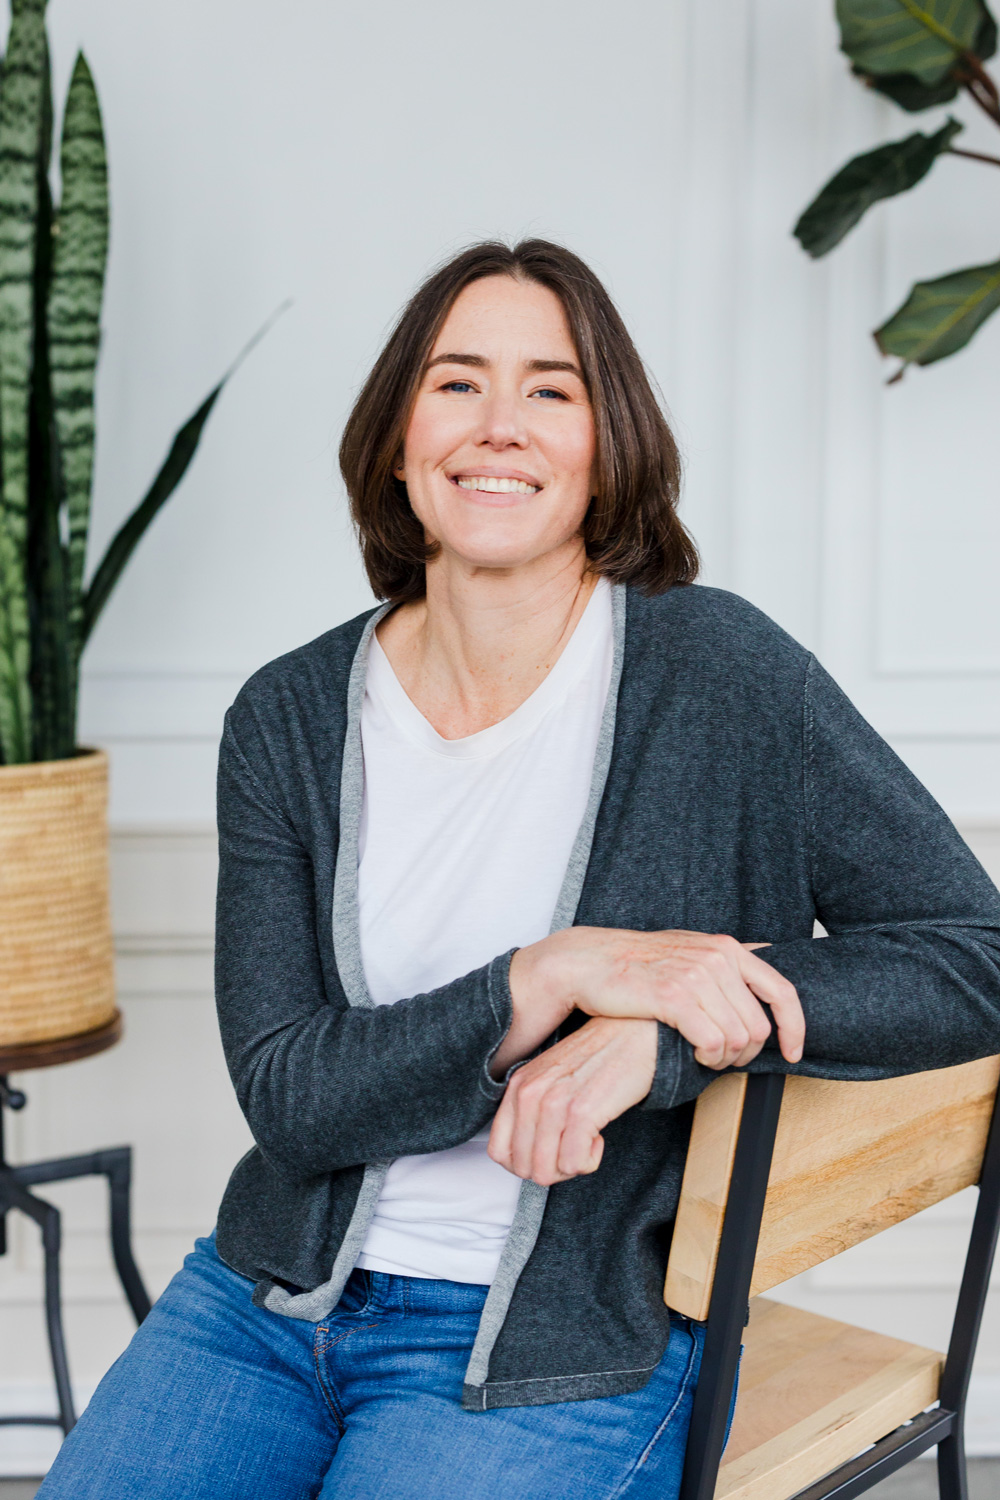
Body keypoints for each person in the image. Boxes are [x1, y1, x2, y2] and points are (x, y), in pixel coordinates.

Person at [38, 240, 1000, 1499]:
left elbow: (970, 955)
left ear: (610, 445)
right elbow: (291, 1095)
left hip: (568, 1344)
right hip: (264, 1305)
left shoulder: (720, 675)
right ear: (396, 438)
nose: (500, 426)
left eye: (551, 390)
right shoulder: (287, 714)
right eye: (456, 384)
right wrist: (551, 976)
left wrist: (662, 1039)